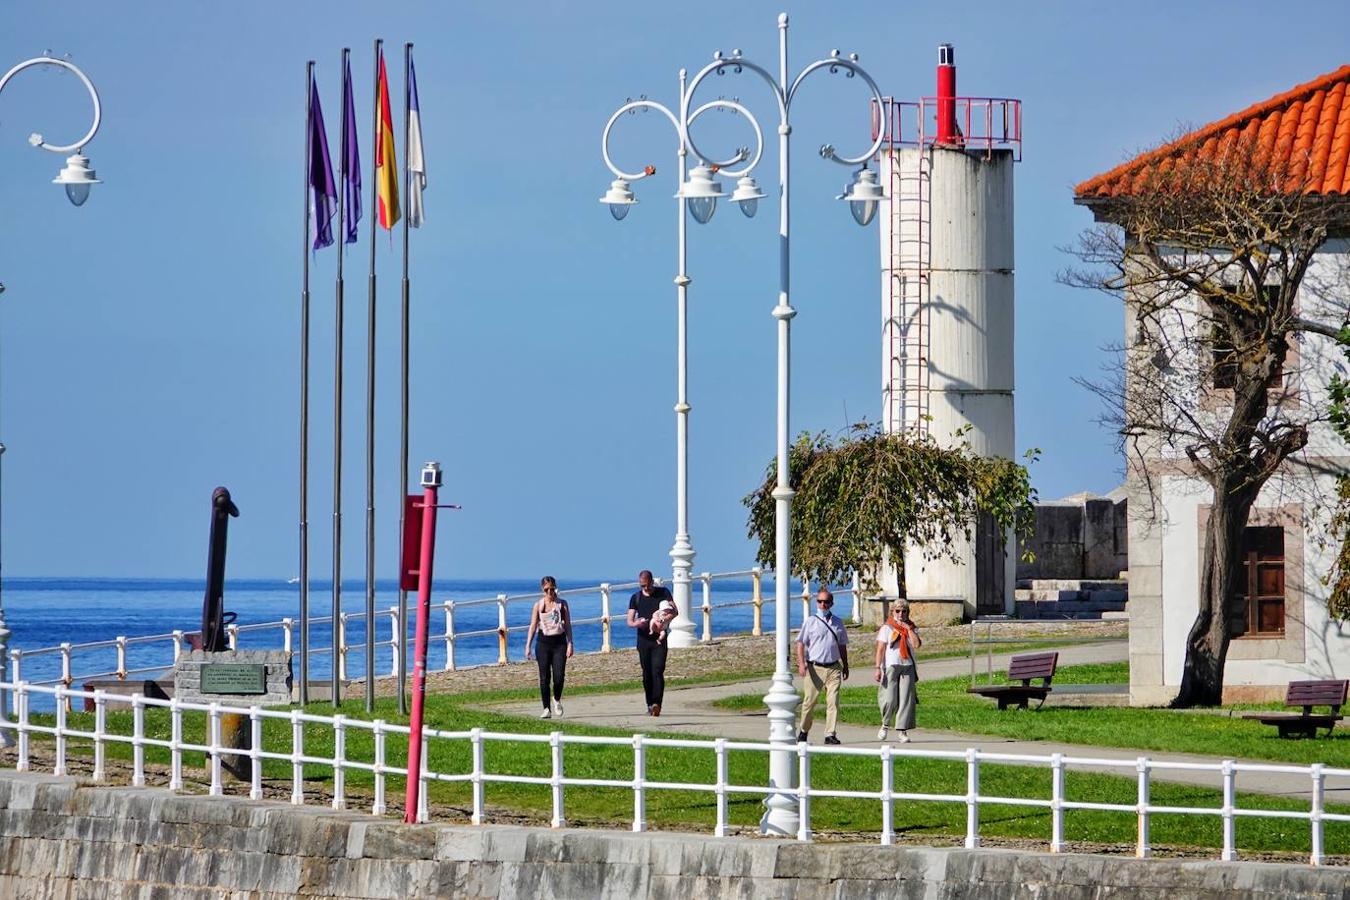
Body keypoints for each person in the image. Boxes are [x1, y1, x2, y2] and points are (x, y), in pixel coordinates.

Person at [795, 587, 849, 745]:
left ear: (831, 603)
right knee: (809, 702)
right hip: (815, 667)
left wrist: (845, 665)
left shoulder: (838, 623)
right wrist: (801, 663)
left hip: (833, 667)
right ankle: (804, 731)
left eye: (826, 602)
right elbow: (800, 644)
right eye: (820, 601)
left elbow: (842, 645)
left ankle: (830, 734)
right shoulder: (810, 621)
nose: (823, 604)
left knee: (833, 701)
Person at [626, 569, 676, 716]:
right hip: (643, 640)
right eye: (642, 586)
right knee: (646, 673)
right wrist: (637, 623)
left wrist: (665, 619)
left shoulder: (663, 593)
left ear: (652, 582)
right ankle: (649, 703)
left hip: (659, 640)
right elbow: (629, 620)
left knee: (658, 670)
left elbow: (675, 611)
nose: (645, 588)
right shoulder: (636, 598)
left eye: (647, 585)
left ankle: (657, 704)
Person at [525, 576, 573, 719]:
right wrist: (528, 645)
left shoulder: (562, 604)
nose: (550, 592)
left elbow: (568, 625)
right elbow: (533, 626)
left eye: (552, 589)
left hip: (559, 642)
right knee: (544, 677)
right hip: (543, 643)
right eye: (547, 590)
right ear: (542, 590)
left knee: (559, 676)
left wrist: (570, 643)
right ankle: (546, 708)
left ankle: (556, 699)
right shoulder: (538, 605)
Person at [874, 598, 921, 743]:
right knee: (889, 698)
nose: (901, 614)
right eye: (898, 611)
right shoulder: (887, 627)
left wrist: (908, 629)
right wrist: (878, 668)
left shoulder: (911, 627)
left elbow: (917, 644)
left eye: (904, 611)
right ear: (892, 611)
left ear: (908, 612)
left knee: (906, 699)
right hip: (891, 666)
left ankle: (902, 731)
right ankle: (885, 724)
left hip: (907, 666)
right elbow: (881, 649)